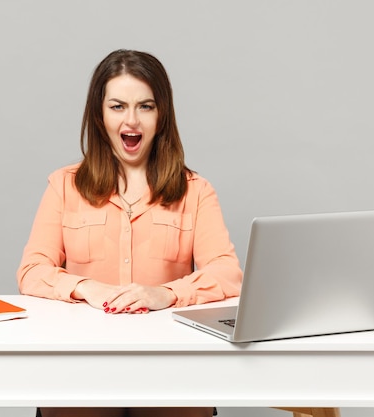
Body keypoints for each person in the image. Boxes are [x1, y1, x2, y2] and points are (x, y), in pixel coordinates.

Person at [17, 49, 243, 417]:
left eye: (146, 106)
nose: (132, 120)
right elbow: (32, 271)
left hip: (171, 365)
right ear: (99, 114)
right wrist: (88, 288)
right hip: (80, 362)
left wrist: (166, 293)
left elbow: (228, 273)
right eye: (118, 106)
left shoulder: (196, 190)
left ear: (162, 115)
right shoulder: (64, 185)